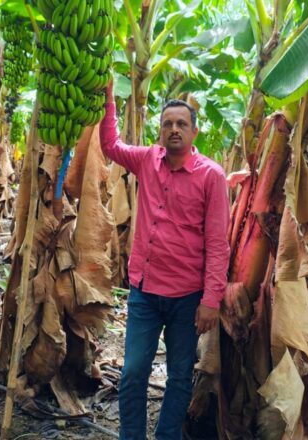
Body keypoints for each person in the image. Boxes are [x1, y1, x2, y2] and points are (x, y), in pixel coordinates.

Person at [99, 81, 230, 439]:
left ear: (194, 131)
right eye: (167, 123)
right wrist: (109, 95)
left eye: (181, 124)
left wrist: (211, 300)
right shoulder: (146, 160)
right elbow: (110, 146)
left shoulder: (211, 176)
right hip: (144, 291)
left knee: (179, 376)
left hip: (187, 298)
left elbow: (218, 243)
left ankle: (167, 435)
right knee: (133, 373)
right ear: (160, 130)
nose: (174, 129)